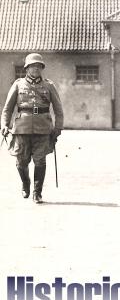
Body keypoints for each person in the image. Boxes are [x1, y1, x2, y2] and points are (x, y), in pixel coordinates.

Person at [1, 53, 64, 204]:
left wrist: (58, 128)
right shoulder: (18, 84)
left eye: (38, 66)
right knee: (21, 162)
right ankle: (25, 183)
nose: (35, 69)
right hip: (21, 128)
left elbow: (58, 109)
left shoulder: (49, 85)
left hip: (43, 129)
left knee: (40, 161)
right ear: (27, 68)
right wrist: (4, 124)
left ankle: (37, 192)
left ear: (41, 68)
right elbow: (7, 109)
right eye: (32, 66)